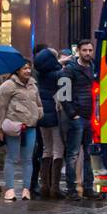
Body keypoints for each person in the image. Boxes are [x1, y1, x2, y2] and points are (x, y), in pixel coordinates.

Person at [0, 60, 42, 201]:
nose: (27, 71)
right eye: (24, 68)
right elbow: (0, 108)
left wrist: (38, 114)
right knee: (12, 158)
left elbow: (38, 103)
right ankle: (9, 189)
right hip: (14, 127)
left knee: (28, 159)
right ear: (17, 71)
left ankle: (26, 189)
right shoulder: (8, 86)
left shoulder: (33, 84)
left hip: (31, 127)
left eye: (29, 68)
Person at [59, 39, 99, 200]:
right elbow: (63, 94)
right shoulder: (70, 69)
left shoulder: (95, 67)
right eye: (85, 50)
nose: (88, 53)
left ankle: (88, 187)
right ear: (79, 52)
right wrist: (72, 114)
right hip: (77, 117)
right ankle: (71, 189)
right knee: (73, 155)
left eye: (90, 50)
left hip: (91, 117)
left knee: (89, 154)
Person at [33, 44, 65, 199]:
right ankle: (55, 188)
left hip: (42, 117)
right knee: (58, 150)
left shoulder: (40, 74)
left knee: (46, 149)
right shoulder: (57, 74)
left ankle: (44, 186)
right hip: (55, 116)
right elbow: (64, 77)